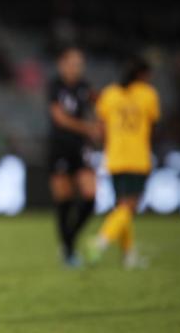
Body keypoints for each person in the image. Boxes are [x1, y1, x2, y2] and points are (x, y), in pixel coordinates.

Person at [87, 56, 160, 268]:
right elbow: (153, 126)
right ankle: (100, 241)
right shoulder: (148, 94)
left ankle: (129, 256)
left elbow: (100, 128)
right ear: (143, 75)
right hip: (137, 157)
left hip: (115, 157)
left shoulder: (110, 94)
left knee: (122, 207)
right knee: (128, 207)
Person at [46, 46, 99, 267]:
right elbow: (59, 118)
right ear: (62, 64)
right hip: (60, 147)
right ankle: (68, 251)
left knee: (90, 197)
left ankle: (69, 242)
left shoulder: (85, 87)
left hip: (81, 148)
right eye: (73, 63)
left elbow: (98, 109)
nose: (76, 68)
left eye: (80, 64)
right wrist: (88, 128)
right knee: (64, 201)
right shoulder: (54, 86)